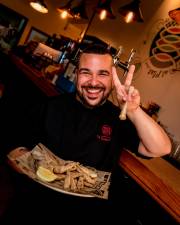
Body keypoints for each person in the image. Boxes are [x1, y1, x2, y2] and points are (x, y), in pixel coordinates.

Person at [0, 44, 171, 224]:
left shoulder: (118, 119)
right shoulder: (50, 106)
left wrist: (133, 110)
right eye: (86, 72)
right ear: (76, 73)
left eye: (102, 74)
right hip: (31, 210)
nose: (93, 82)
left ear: (113, 80)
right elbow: (12, 141)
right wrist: (20, 159)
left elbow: (161, 148)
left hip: (84, 218)